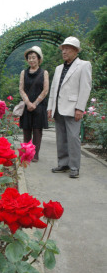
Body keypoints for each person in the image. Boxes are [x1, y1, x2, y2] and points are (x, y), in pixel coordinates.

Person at [47, 36, 92, 178]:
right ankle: (63, 164)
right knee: (61, 137)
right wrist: (50, 107)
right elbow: (54, 88)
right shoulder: (59, 68)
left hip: (73, 108)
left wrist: (80, 108)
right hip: (58, 107)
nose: (64, 51)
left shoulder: (84, 65)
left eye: (67, 48)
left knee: (73, 138)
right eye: (63, 48)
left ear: (75, 51)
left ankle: (74, 167)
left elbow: (85, 88)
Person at [19, 46, 49, 162]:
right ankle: (26, 154)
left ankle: (35, 155)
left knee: (37, 131)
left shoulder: (44, 73)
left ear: (39, 59)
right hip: (27, 106)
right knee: (26, 130)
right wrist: (28, 103)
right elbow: (21, 89)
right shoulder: (23, 72)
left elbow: (45, 90)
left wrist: (35, 103)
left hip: (39, 106)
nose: (31, 60)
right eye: (29, 58)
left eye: (34, 58)